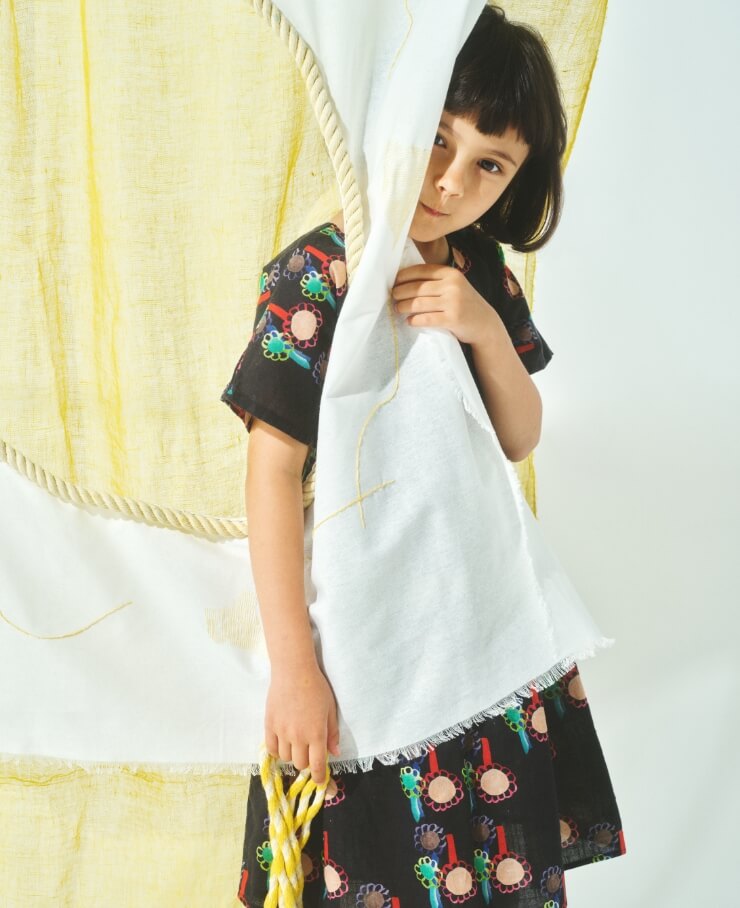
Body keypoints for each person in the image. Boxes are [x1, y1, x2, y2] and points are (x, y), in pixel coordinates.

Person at [222, 6, 626, 905]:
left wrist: (482, 326)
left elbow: (518, 434)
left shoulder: (480, 271)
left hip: (474, 631)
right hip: (364, 647)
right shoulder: (318, 277)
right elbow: (272, 471)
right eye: (438, 138)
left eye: (490, 164)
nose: (451, 180)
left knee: (491, 872)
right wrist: (294, 667)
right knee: (367, 867)